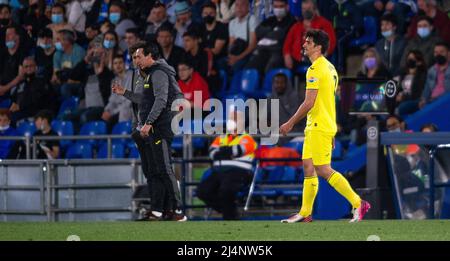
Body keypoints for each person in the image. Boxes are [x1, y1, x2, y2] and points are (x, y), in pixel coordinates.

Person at [279, 29, 370, 223]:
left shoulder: (315, 70)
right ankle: (305, 212)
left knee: (322, 169)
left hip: (318, 125)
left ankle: (357, 202)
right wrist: (332, 131)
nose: (304, 45)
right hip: (321, 125)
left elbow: (309, 102)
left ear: (318, 47)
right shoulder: (330, 68)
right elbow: (329, 101)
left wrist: (290, 122)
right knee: (308, 166)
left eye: (308, 42)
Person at [131, 41, 186, 221]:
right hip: (151, 128)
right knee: (155, 170)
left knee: (164, 169)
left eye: (139, 56)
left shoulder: (159, 73)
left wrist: (148, 123)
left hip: (160, 128)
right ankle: (161, 210)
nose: (136, 60)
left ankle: (177, 209)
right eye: (134, 57)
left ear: (150, 56)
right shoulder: (147, 75)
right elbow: (145, 102)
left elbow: (161, 100)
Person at [197, 109, 258, 220]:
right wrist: (227, 152)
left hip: (239, 171)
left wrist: (222, 151)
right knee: (202, 191)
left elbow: (238, 150)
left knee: (226, 190)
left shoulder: (247, 138)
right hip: (219, 171)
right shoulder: (222, 137)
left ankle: (230, 215)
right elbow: (212, 153)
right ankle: (230, 211)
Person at [282, 0, 335, 70]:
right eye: (304, 9)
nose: (306, 11)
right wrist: (287, 55)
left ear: (315, 9)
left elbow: (331, 42)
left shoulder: (325, 24)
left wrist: (324, 53)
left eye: (309, 8)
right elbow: (287, 45)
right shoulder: (296, 26)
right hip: (297, 59)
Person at [245, 0, 295, 74]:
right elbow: (258, 31)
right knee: (250, 66)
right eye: (276, 7)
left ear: (287, 7)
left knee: (270, 67)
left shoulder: (292, 21)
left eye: (281, 6)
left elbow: (281, 36)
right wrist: (273, 31)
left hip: (278, 52)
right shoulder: (270, 20)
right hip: (263, 50)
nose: (278, 9)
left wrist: (268, 33)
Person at [395, 50, 427, 118]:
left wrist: (403, 97)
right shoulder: (403, 73)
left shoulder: (422, 75)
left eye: (412, 59)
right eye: (409, 58)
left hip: (415, 100)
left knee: (402, 107)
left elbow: (418, 94)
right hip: (402, 99)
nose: (410, 60)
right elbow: (399, 88)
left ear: (419, 62)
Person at [418, 42, 450, 109]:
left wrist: (437, 99)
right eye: (436, 52)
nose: (438, 55)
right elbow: (427, 89)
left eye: (441, 52)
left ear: (448, 54)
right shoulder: (431, 70)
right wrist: (423, 100)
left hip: (444, 102)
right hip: (430, 101)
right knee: (404, 108)